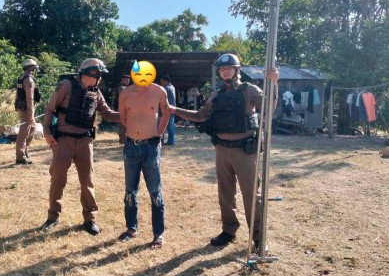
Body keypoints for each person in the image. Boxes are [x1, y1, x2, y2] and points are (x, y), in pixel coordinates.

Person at [168, 53, 279, 251]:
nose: (226, 72)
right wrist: (174, 110)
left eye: (229, 68)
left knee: (251, 195)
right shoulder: (216, 94)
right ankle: (228, 230)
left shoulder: (250, 90)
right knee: (225, 194)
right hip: (222, 150)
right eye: (222, 69)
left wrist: (274, 83)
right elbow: (200, 116)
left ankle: (258, 237)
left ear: (237, 70)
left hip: (245, 151)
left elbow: (268, 108)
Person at [41, 58, 120, 235]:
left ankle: (90, 219)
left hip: (85, 141)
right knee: (58, 179)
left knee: (87, 181)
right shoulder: (66, 86)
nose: (100, 78)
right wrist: (46, 132)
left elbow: (107, 114)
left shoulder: (96, 93)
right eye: (99, 75)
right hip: (63, 140)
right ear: (89, 72)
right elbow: (50, 109)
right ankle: (52, 217)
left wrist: (128, 115)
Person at [117, 74, 171, 249]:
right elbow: (123, 117)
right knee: (130, 190)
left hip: (151, 147)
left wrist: (158, 135)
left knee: (155, 191)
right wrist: (136, 131)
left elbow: (166, 113)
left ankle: (158, 234)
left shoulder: (159, 91)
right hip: (131, 147)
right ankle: (131, 229)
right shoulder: (125, 93)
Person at [15, 58, 41, 165]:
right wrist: (30, 112)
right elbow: (29, 98)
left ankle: (24, 151)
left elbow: (18, 94)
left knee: (32, 128)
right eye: (34, 68)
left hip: (22, 107)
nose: (35, 70)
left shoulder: (21, 77)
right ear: (31, 68)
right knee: (24, 132)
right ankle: (20, 157)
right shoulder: (28, 80)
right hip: (27, 109)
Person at [112, 74, 131, 144]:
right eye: (127, 80)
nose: (128, 81)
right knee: (124, 124)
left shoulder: (123, 87)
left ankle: (122, 139)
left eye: (129, 80)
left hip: (120, 107)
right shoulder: (121, 87)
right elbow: (126, 96)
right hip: (122, 108)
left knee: (122, 124)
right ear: (122, 80)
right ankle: (123, 139)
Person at [159, 74, 176, 145]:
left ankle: (161, 142)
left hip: (165, 110)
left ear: (165, 81)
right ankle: (171, 142)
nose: (161, 83)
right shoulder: (172, 87)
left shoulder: (165, 88)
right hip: (172, 109)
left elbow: (160, 99)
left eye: (161, 81)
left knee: (161, 126)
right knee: (171, 127)